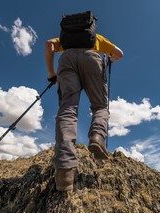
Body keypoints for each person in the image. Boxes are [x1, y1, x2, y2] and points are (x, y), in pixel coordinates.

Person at [45, 17, 123, 191]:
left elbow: (49, 44)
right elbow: (119, 53)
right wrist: (110, 59)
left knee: (67, 109)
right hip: (92, 58)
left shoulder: (66, 40)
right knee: (100, 106)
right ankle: (97, 136)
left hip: (66, 60)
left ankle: (64, 170)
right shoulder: (97, 39)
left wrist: (51, 73)